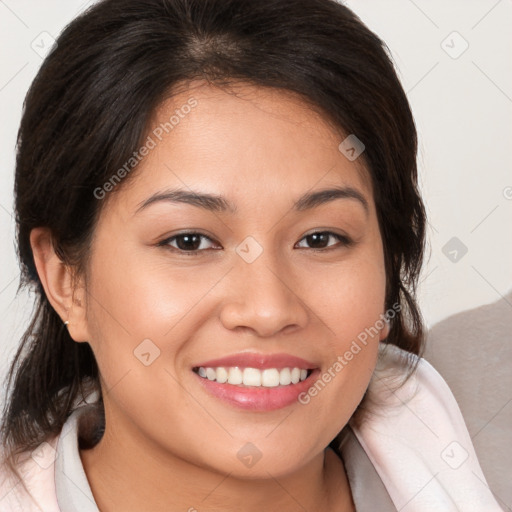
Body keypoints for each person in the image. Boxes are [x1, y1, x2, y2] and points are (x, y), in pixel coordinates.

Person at [0, 0, 503, 510]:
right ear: (67, 282)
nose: (267, 309)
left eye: (320, 238)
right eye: (189, 241)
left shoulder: (490, 439)